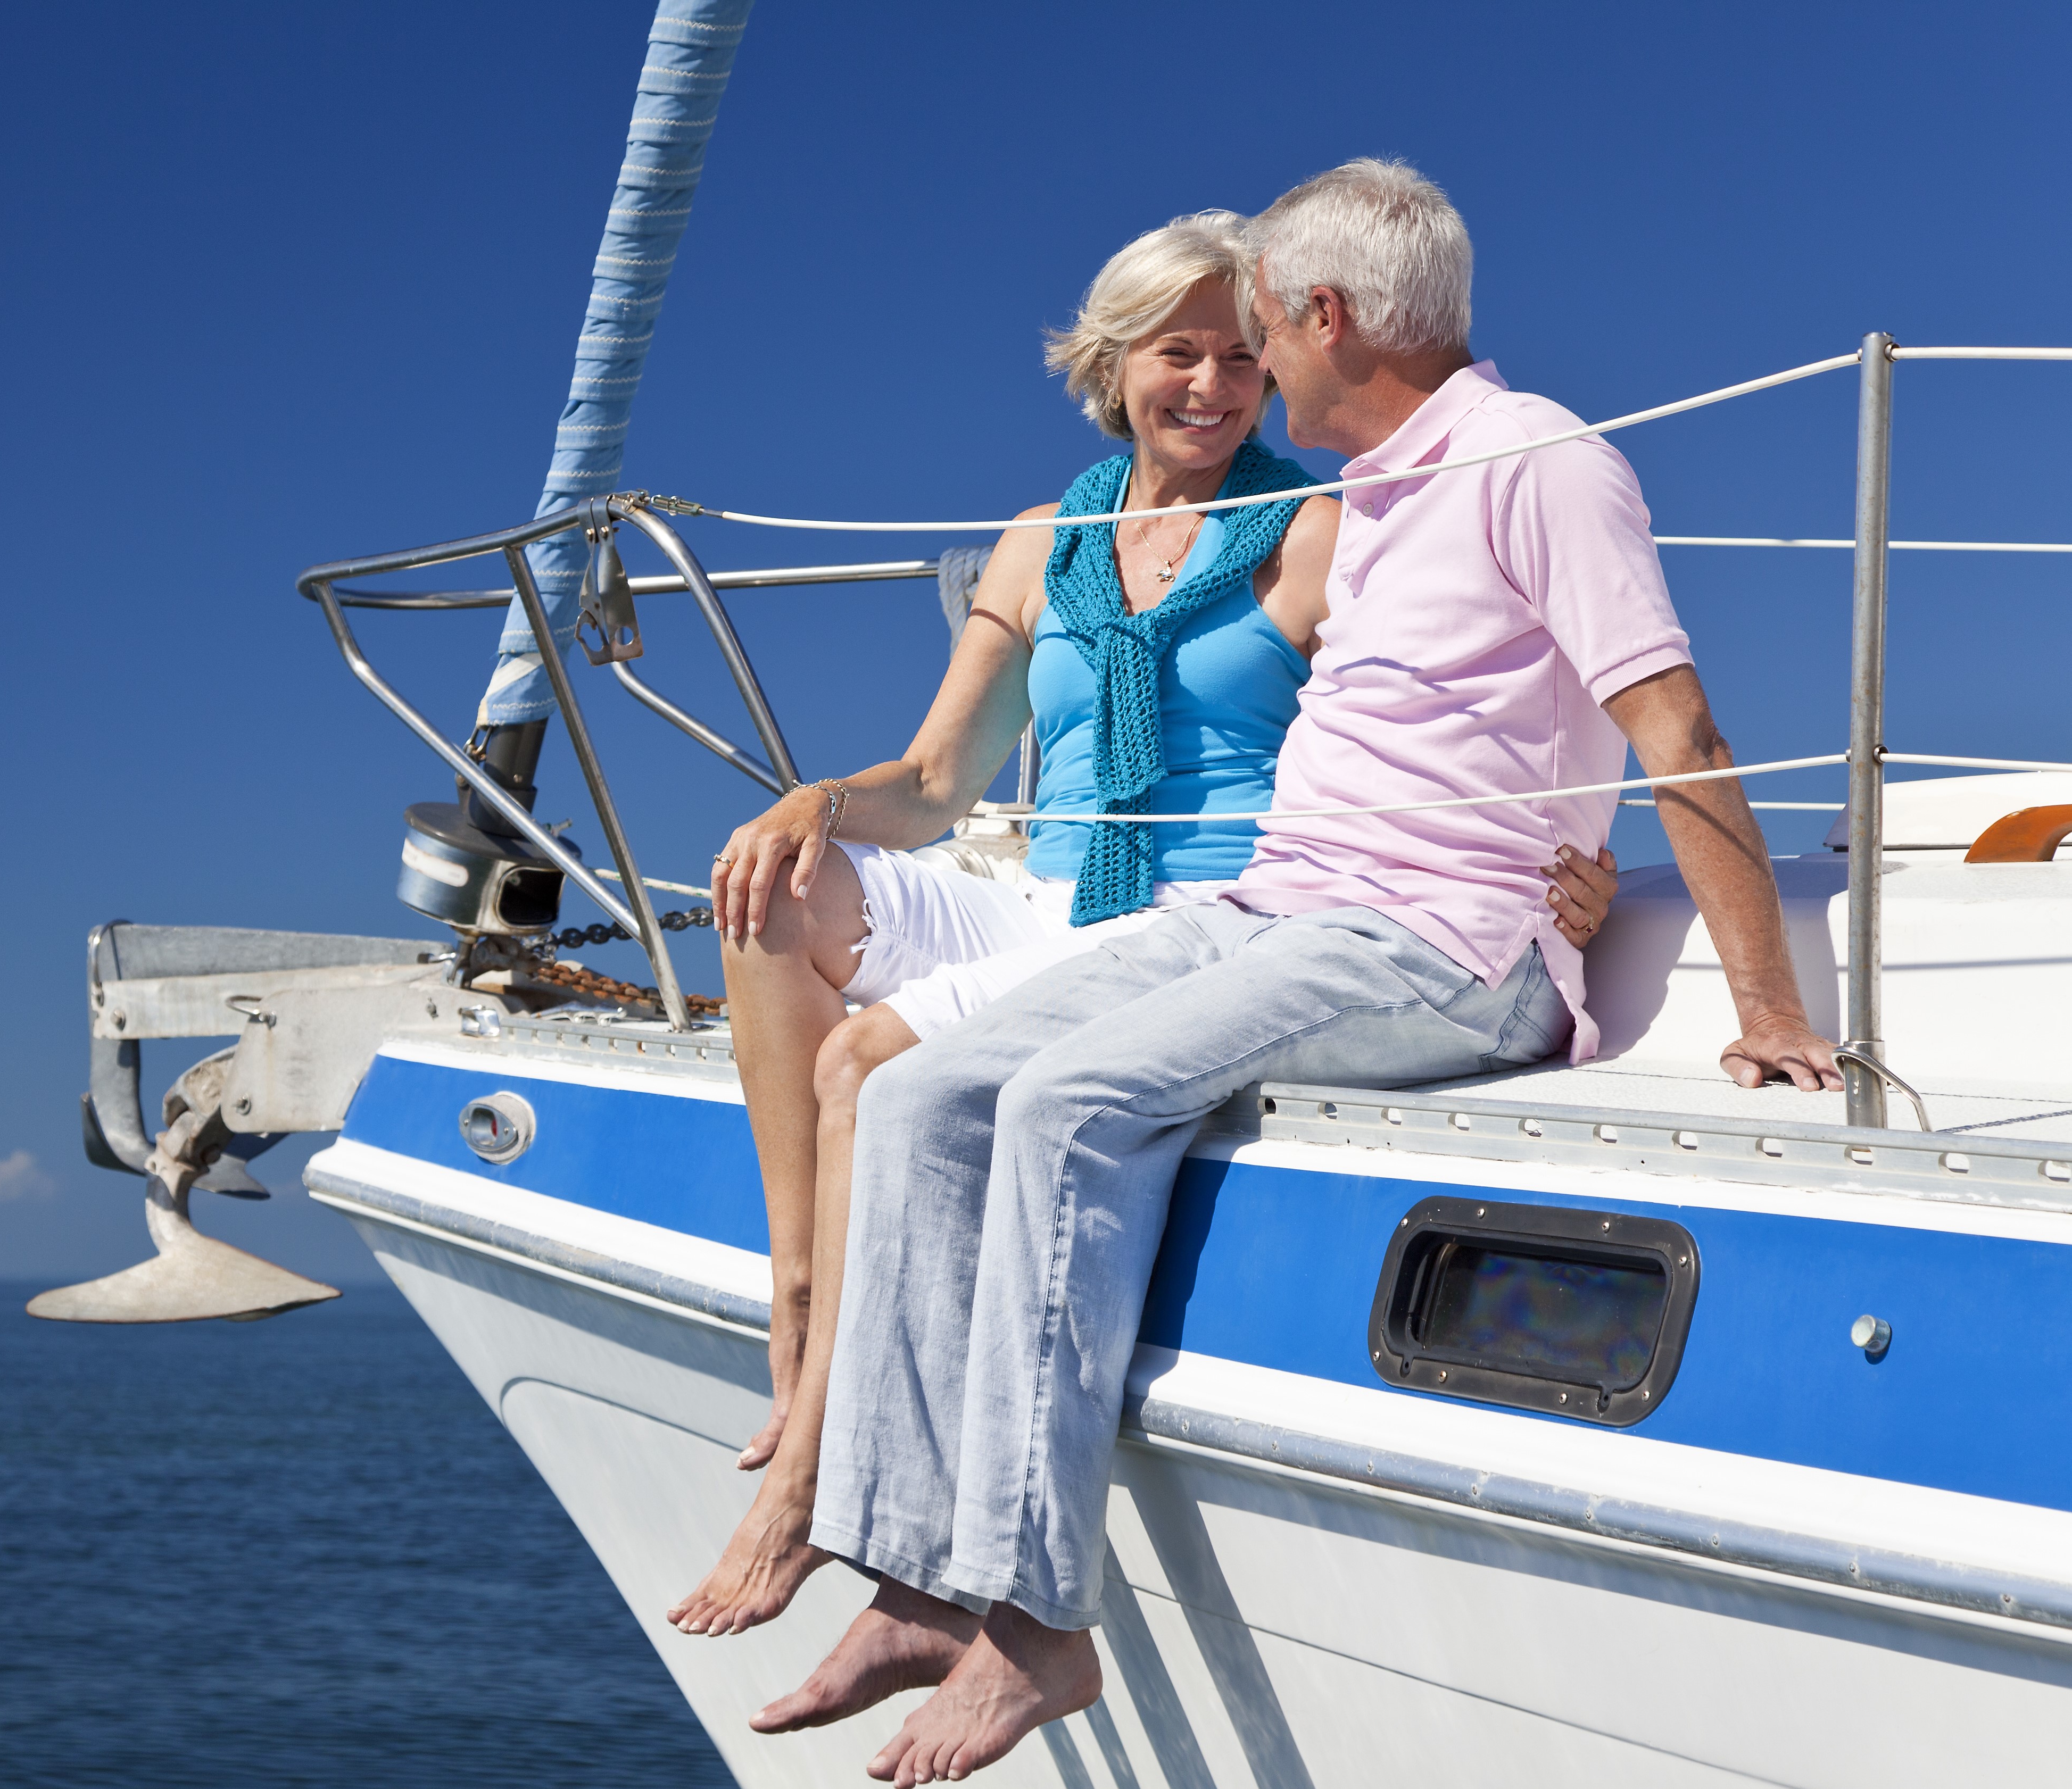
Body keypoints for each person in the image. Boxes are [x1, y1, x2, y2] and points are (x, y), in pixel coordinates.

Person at [757, 159, 1844, 1787]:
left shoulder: (1536, 461)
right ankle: (913, 1571)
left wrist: (1768, 1010)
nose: (1249, 362)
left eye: (1261, 327)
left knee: (1065, 1100)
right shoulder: (1389, 485)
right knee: (922, 1089)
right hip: (1278, 904)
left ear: (1323, 318)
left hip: (1434, 944)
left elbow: (1671, 725)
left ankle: (1037, 1623)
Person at [666, 212, 1618, 1642]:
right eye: (1179, 352)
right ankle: (799, 1296)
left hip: (1199, 908)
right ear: (1112, 364)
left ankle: (805, 1459)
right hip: (1037, 888)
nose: (1213, 386)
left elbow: (1476, 702)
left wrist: (1567, 853)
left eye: (1242, 356)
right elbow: (931, 790)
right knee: (759, 891)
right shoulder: (1046, 539)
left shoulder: (1312, 532)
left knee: (870, 1056)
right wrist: (812, 800)